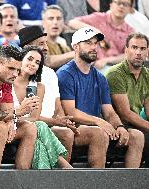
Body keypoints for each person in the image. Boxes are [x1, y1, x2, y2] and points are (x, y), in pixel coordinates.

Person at [56, 27, 144, 168]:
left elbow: (108, 111)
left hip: (96, 126)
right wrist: (99, 122)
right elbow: (70, 112)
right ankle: (98, 182)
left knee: (136, 136)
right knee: (99, 134)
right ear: (75, 47)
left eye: (95, 43)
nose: (94, 47)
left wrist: (119, 126)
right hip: (73, 128)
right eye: (88, 43)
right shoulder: (65, 74)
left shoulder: (100, 77)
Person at [18, 25, 76, 162]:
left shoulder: (50, 73)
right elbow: (31, 117)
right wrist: (57, 122)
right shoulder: (17, 74)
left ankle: (61, 176)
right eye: (40, 44)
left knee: (69, 132)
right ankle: (65, 173)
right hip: (29, 124)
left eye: (46, 43)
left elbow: (58, 107)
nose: (46, 47)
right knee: (59, 132)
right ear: (27, 48)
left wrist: (64, 121)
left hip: (49, 123)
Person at [105, 33, 149, 167]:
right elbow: (125, 114)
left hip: (136, 124)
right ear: (126, 50)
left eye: (142, 49)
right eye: (134, 47)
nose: (138, 52)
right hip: (117, 125)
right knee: (139, 136)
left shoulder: (147, 75)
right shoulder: (115, 74)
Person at [68, 0, 134, 72]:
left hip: (112, 66)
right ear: (111, 4)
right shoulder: (98, 18)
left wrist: (107, 60)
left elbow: (128, 55)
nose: (121, 6)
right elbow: (72, 22)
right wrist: (93, 30)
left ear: (130, 9)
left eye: (125, 4)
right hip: (89, 63)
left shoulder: (130, 31)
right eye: (118, 2)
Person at [41, 5, 74, 70]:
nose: (55, 22)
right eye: (51, 18)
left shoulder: (64, 48)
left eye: (59, 19)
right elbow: (46, 61)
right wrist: (75, 54)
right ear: (43, 23)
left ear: (63, 23)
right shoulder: (35, 43)